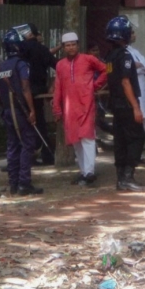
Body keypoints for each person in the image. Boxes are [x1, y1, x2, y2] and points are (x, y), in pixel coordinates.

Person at [52, 32, 108, 185]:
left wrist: (95, 85)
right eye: (67, 45)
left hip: (86, 104)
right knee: (76, 140)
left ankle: (89, 172)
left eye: (73, 44)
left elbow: (106, 69)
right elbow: (58, 87)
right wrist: (57, 108)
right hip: (69, 107)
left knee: (87, 138)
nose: (71, 48)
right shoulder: (60, 65)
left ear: (78, 45)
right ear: (63, 48)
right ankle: (83, 172)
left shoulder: (89, 59)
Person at [0, 28, 43, 196]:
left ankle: (13, 184)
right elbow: (25, 87)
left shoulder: (1, 67)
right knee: (27, 146)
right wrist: (31, 110)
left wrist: (6, 105)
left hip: (8, 112)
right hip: (21, 112)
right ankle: (24, 183)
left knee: (13, 147)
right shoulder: (21, 64)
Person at [104, 16, 145, 192]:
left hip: (115, 104)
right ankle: (128, 176)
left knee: (120, 139)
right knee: (138, 137)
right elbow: (125, 82)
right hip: (126, 103)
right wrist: (136, 107)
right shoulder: (124, 55)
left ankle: (121, 178)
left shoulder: (110, 56)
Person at [22, 24, 58, 165]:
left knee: (23, 126)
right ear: (35, 35)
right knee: (39, 123)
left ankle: (26, 158)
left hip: (22, 92)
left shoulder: (20, 49)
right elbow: (58, 67)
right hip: (38, 91)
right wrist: (53, 86)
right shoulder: (42, 50)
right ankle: (47, 156)